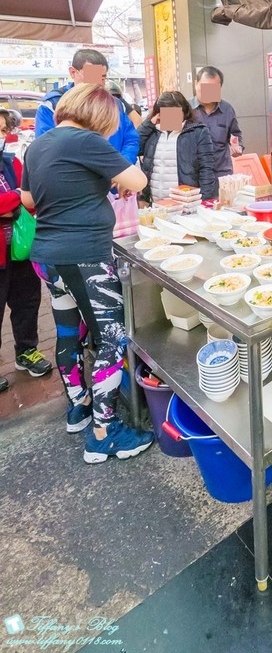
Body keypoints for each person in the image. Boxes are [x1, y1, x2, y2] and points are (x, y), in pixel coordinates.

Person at [21, 84, 153, 462]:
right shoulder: (84, 140)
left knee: (67, 333)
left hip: (50, 258)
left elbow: (29, 200)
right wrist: (113, 179)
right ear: (99, 117)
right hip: (85, 259)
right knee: (111, 338)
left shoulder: (40, 145)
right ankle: (104, 432)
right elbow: (138, 181)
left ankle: (78, 408)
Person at [0, 108, 52, 392]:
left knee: (27, 302)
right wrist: (15, 199)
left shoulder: (11, 163)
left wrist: (14, 201)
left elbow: (31, 198)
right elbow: (20, 197)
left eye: (2, 130)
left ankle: (27, 351)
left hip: (20, 250)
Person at [35, 48, 139, 162]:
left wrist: (123, 166)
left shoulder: (115, 104)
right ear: (73, 72)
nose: (98, 83)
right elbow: (46, 148)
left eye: (103, 78)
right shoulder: (52, 105)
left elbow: (131, 139)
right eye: (92, 76)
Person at [138, 90, 218, 202]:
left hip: (186, 202)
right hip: (156, 202)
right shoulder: (152, 131)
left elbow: (207, 169)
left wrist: (205, 200)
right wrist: (148, 124)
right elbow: (135, 148)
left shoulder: (198, 132)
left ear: (184, 112)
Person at [191, 66, 243, 177]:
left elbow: (236, 134)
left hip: (221, 173)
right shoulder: (183, 107)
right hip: (192, 175)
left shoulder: (227, 109)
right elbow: (166, 137)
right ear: (196, 84)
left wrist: (238, 147)